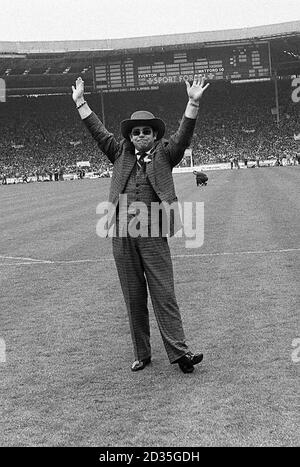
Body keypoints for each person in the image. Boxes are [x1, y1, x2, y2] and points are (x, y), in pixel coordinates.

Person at [72, 75, 209, 374]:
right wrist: (81, 102)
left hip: (153, 233)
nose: (141, 136)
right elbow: (97, 131)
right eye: (136, 132)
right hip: (122, 234)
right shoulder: (118, 152)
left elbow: (184, 136)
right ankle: (142, 354)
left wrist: (193, 103)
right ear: (130, 136)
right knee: (133, 296)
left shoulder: (166, 154)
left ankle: (180, 353)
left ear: (155, 136)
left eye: (147, 131)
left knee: (164, 293)